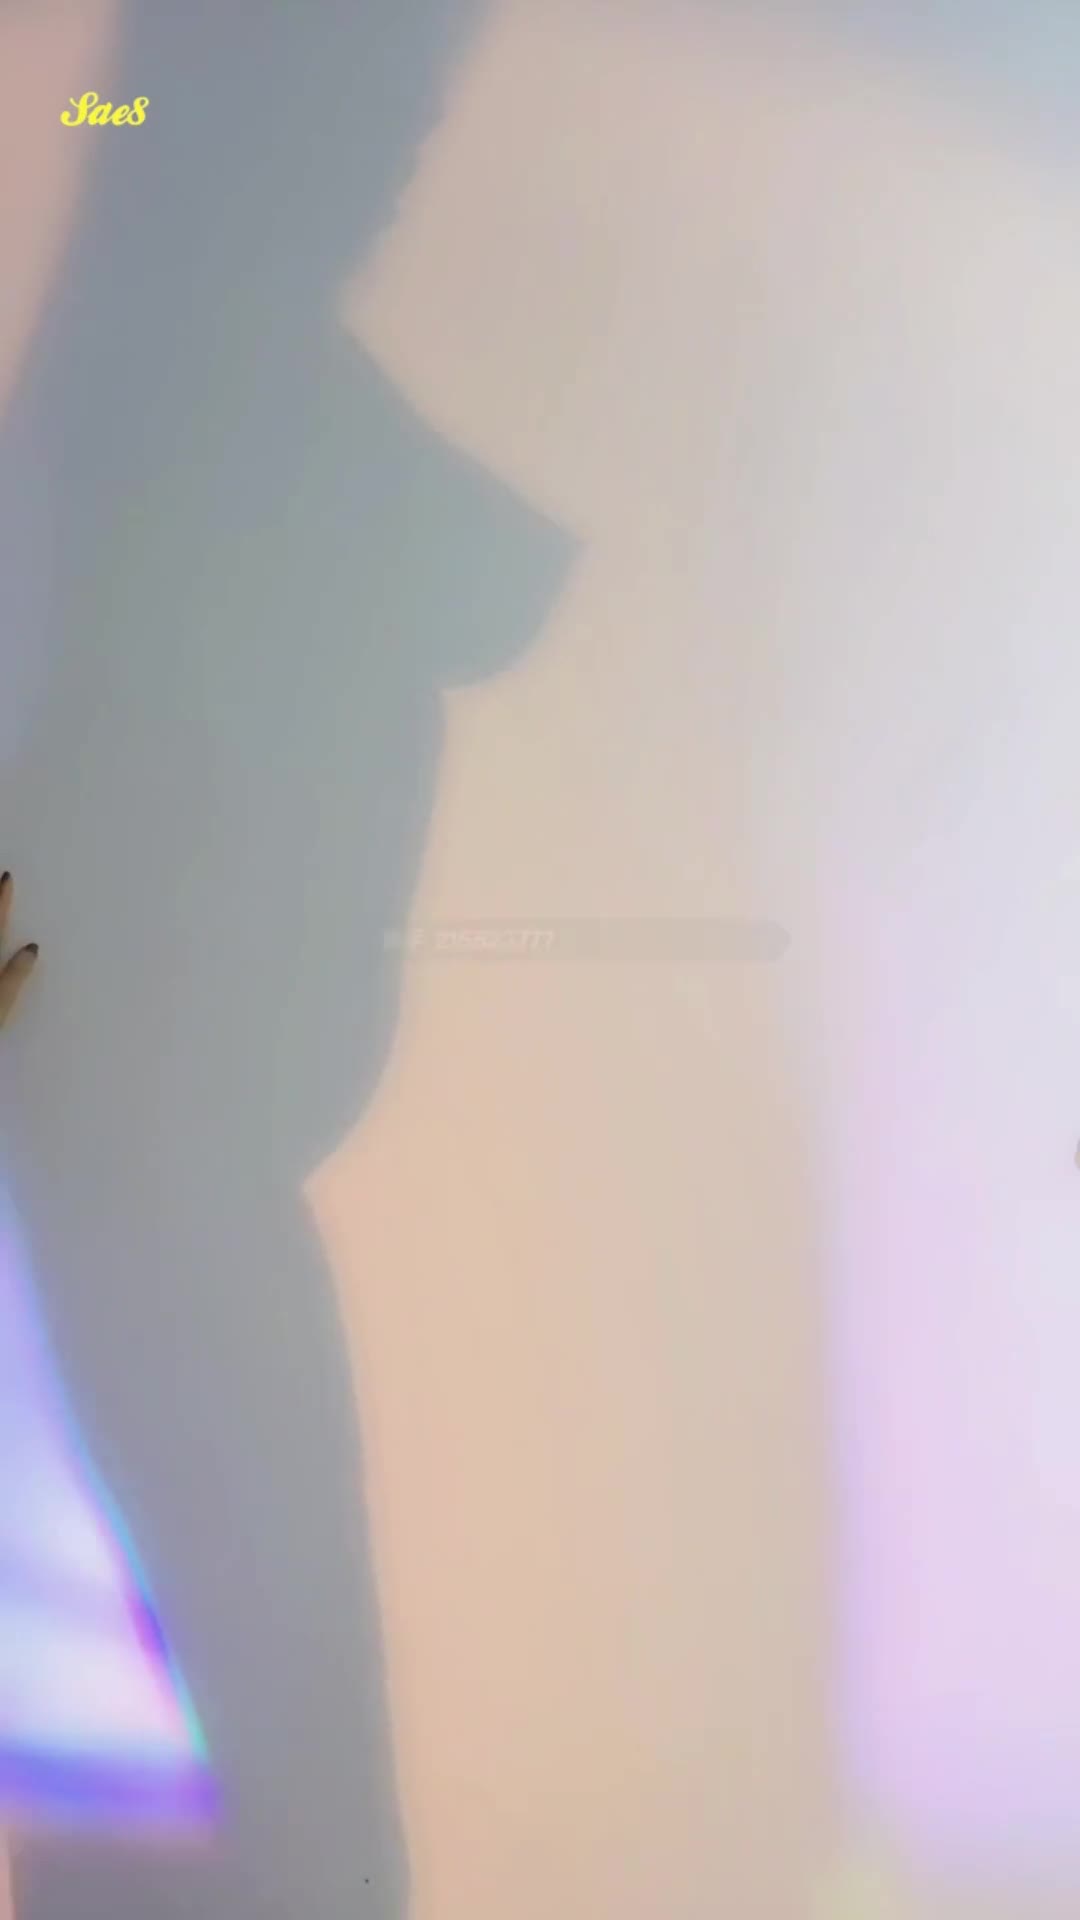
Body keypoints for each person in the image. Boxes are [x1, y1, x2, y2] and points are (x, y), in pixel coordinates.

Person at [0, 3, 572, 1917]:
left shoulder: (160, 368)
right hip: (143, 1208)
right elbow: (496, 583)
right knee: (273, 1839)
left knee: (222, 1829)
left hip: (134, 1202)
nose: (400, 163)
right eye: (382, 111)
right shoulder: (192, 377)